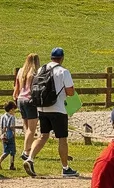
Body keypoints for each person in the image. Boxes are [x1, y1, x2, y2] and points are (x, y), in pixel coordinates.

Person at [25, 46, 79, 178]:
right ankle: (65, 168)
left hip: (42, 107)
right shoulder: (63, 71)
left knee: (43, 136)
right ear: (62, 58)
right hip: (58, 108)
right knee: (62, 138)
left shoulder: (41, 69)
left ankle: (30, 158)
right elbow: (70, 92)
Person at [14, 53, 41, 166]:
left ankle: (28, 148)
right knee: (32, 128)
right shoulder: (35, 73)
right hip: (30, 100)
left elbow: (16, 87)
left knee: (26, 127)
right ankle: (26, 151)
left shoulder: (21, 71)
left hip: (20, 99)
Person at [0, 100, 19, 170]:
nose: (14, 112)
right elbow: (12, 126)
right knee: (12, 150)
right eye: (14, 110)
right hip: (10, 135)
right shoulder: (12, 117)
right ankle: (11, 165)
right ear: (11, 110)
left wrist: (1, 134)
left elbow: (1, 126)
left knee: (6, 150)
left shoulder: (2, 116)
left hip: (3, 135)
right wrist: (14, 133)